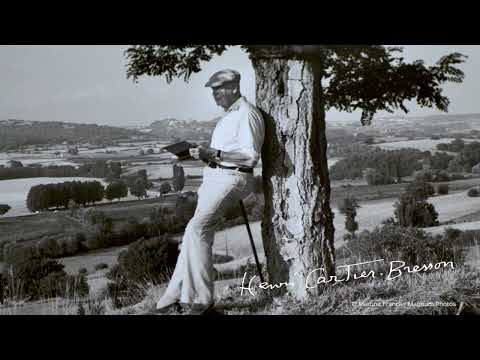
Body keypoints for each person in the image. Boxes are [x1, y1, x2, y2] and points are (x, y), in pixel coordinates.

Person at [155, 69, 265, 315]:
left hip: (233, 179)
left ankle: (202, 302)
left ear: (234, 88)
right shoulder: (228, 117)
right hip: (215, 178)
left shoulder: (248, 115)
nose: (215, 95)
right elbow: (222, 154)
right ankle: (171, 298)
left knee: (197, 229)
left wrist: (213, 154)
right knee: (192, 235)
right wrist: (200, 154)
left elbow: (250, 156)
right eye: (213, 91)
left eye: (219, 89)